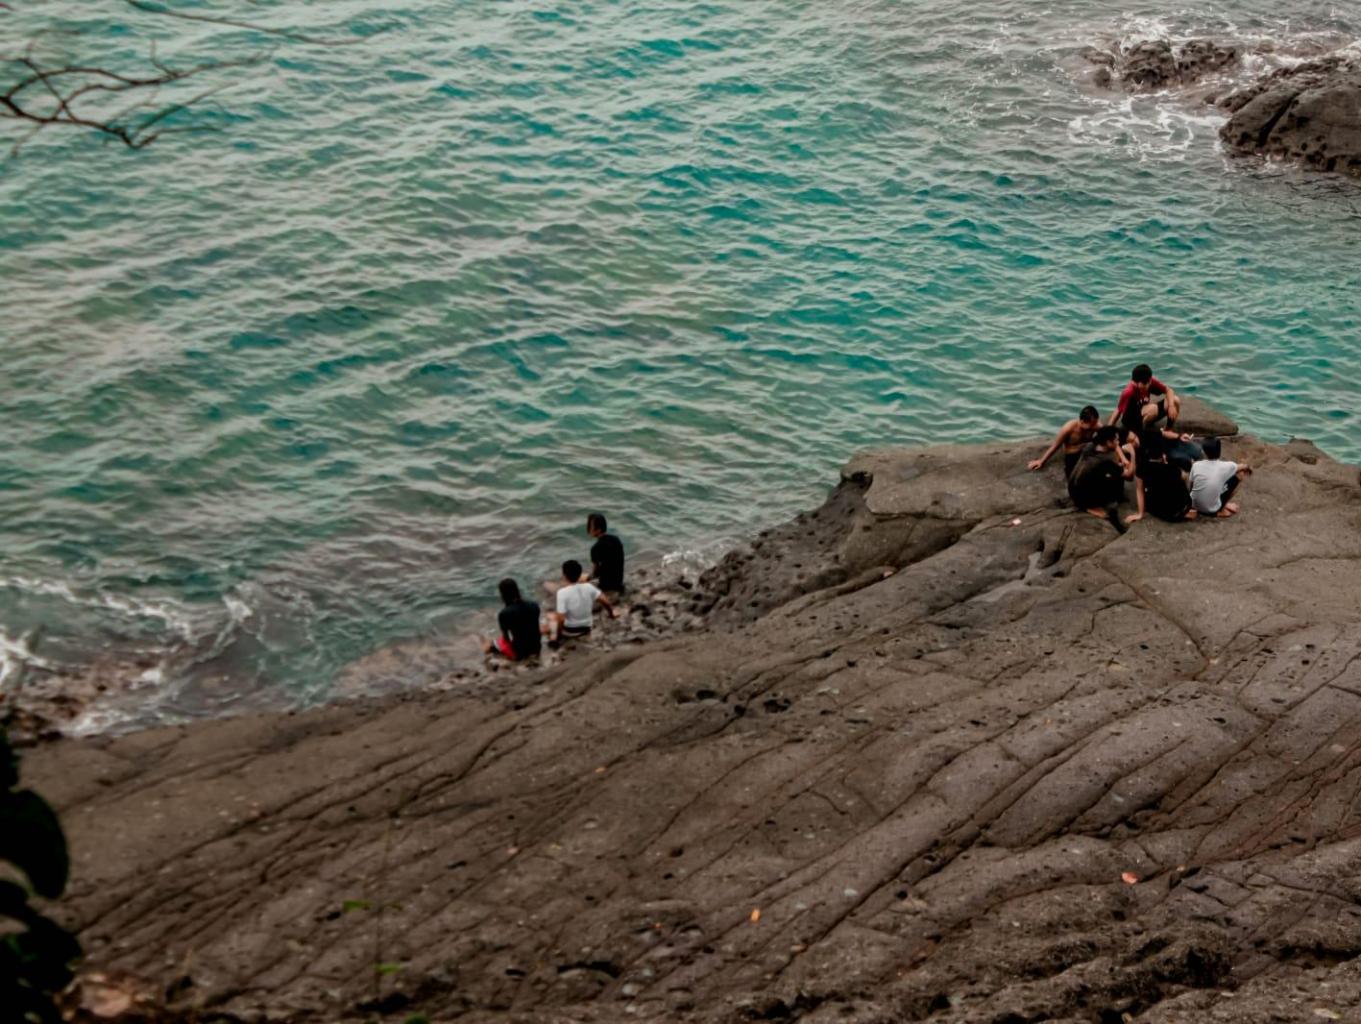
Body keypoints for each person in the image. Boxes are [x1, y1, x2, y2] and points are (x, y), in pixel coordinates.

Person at [1067, 426, 1130, 532]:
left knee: (1107, 473)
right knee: (1117, 478)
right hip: (1082, 499)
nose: (1118, 443)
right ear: (1108, 442)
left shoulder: (1089, 446)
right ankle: (1090, 506)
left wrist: (1122, 459)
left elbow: (1113, 451)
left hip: (1072, 489)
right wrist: (1132, 454)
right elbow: (1129, 476)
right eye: (1116, 440)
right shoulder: (1105, 460)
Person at [546, 559, 615, 644]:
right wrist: (611, 614)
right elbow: (605, 601)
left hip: (570, 631)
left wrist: (558, 633)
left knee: (550, 616)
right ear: (580, 575)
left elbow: (561, 618)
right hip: (587, 627)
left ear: (564, 576)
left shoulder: (562, 593)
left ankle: (554, 637)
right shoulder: (589, 586)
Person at [1028, 405, 1101, 477]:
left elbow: (1105, 434)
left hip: (1088, 451)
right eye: (1092, 424)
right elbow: (1055, 446)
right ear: (1082, 421)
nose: (1095, 425)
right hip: (1073, 454)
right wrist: (1041, 461)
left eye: (1095, 422)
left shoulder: (1095, 425)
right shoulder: (1068, 428)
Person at [481, 578, 542, 661]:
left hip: (520, 652)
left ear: (503, 595)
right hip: (536, 647)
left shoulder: (504, 614)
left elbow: (506, 639)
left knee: (487, 645)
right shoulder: (534, 605)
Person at [1111, 363, 1182, 433]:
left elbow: (1169, 390)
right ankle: (1141, 434)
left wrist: (1171, 406)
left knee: (1175, 400)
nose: (1148, 384)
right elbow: (1118, 410)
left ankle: (1168, 429)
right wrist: (1109, 429)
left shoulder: (1149, 381)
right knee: (1153, 408)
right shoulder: (1128, 392)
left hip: (1146, 414)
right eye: (1143, 384)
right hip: (1132, 420)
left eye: (1146, 383)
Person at [1126, 453, 1197, 524]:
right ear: (1163, 456)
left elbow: (1139, 490)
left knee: (1149, 492)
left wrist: (1140, 514)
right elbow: (1184, 477)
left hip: (1166, 514)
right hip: (1181, 509)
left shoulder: (1142, 467)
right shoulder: (1170, 467)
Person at [1189, 437, 1250, 517]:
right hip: (1211, 509)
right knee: (1240, 474)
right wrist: (1248, 467)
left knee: (1211, 481)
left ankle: (1210, 503)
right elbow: (1243, 467)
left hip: (1193, 504)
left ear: (1203, 452)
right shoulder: (1227, 466)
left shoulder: (1196, 465)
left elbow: (1191, 486)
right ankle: (1221, 509)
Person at [583, 512, 625, 593]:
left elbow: (595, 574)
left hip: (606, 585)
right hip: (619, 581)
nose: (589, 529)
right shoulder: (616, 539)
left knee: (580, 578)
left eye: (590, 527)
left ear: (598, 530)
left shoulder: (595, 548)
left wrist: (587, 578)